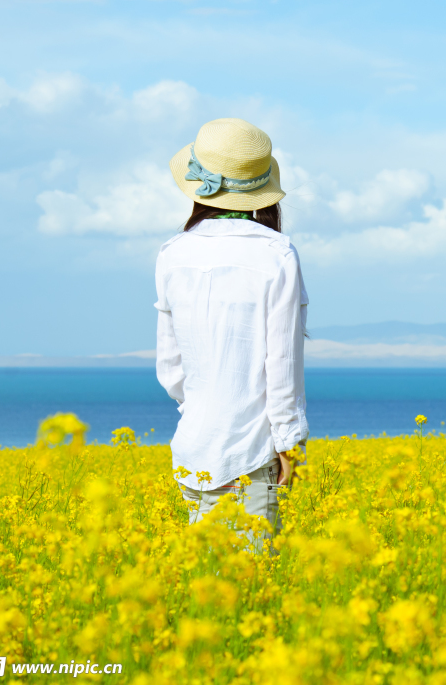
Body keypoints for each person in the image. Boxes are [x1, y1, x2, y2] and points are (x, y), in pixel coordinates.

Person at [154, 118, 309, 548]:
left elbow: (170, 368)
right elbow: (282, 365)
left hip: (192, 451)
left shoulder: (172, 253)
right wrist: (289, 444)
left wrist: (203, 409)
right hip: (251, 452)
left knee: (207, 589)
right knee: (250, 589)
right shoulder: (276, 254)